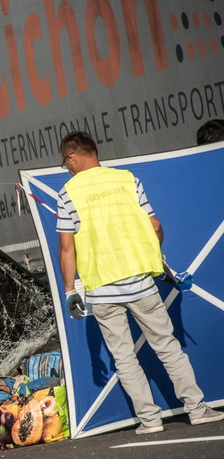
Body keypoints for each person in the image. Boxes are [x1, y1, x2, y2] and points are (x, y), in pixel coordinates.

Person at [55, 131, 224, 434]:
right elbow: (154, 225)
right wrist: (155, 256)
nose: (66, 168)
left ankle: (149, 421)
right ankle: (197, 410)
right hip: (141, 282)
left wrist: (69, 291)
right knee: (168, 347)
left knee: (124, 357)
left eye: (65, 162)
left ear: (72, 157)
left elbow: (67, 247)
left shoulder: (67, 193)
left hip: (102, 289)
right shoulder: (127, 180)